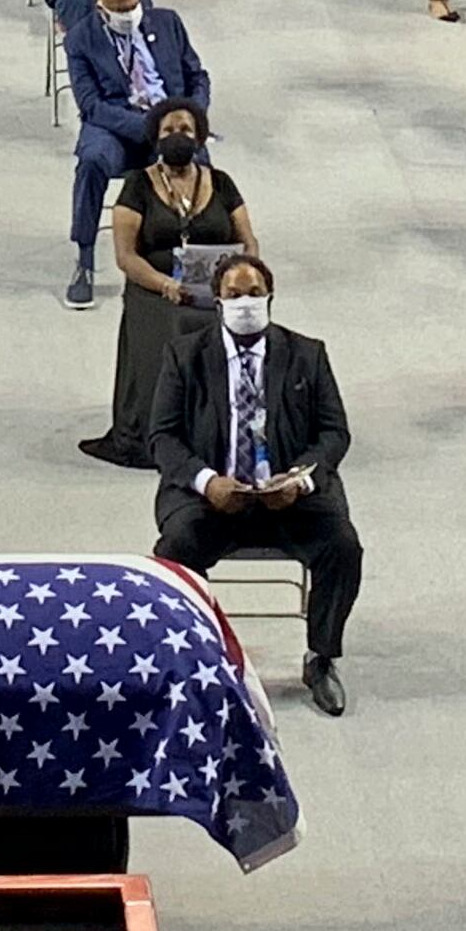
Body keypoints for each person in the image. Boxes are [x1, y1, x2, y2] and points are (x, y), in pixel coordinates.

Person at [147, 256, 357, 717]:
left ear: (271, 297)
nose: (246, 303)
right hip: (214, 500)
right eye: (235, 294)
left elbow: (334, 433)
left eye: (255, 293)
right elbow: (161, 437)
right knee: (175, 550)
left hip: (288, 499)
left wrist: (299, 481)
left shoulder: (308, 354)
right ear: (217, 301)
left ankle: (321, 658)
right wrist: (207, 482)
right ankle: (189, 659)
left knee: (342, 546)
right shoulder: (184, 356)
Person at [83, 96, 253, 468]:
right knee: (172, 327)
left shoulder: (222, 183)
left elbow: (248, 238)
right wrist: (164, 284)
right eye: (169, 131)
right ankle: (156, 434)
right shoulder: (137, 187)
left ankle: (218, 433)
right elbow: (126, 255)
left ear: (200, 138)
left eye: (186, 130)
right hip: (154, 287)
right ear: (157, 138)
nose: (178, 136)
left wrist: (243, 281)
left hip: (213, 290)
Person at [64, 0, 209, 308]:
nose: (130, 13)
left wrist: (192, 119)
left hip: (170, 117)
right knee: (91, 162)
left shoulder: (168, 23)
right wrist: (148, 128)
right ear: (102, 9)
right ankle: (84, 261)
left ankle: (201, 264)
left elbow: (197, 76)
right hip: (116, 126)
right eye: (121, 9)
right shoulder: (81, 39)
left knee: (199, 163)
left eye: (134, 5)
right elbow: (91, 106)